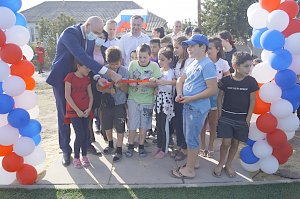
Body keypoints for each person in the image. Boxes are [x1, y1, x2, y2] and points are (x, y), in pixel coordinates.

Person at [46, 16, 122, 167]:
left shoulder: (91, 37)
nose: (96, 35)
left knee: (86, 113)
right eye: (95, 32)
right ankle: (66, 150)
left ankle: (86, 144)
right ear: (86, 25)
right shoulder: (70, 33)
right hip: (62, 79)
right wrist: (109, 73)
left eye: (100, 32)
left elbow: (86, 61)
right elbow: (80, 56)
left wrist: (97, 77)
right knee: (65, 114)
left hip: (82, 79)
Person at [172, 34, 217, 179]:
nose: (188, 48)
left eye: (192, 46)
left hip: (197, 108)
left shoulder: (207, 64)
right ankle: (194, 162)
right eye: (188, 45)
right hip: (188, 106)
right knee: (189, 137)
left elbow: (212, 89)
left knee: (192, 139)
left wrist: (191, 98)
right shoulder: (193, 62)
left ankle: (189, 170)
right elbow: (180, 79)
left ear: (202, 47)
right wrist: (179, 93)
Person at [213, 52, 259, 178]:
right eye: (246, 66)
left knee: (235, 143)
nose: (249, 69)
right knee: (226, 142)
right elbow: (219, 97)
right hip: (226, 117)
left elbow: (252, 100)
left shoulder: (251, 82)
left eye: (250, 66)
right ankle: (220, 163)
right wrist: (220, 113)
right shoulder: (225, 80)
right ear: (235, 65)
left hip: (241, 119)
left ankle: (228, 164)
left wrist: (248, 118)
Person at [125, 43, 161, 158]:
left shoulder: (155, 66)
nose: (142, 59)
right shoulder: (132, 64)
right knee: (132, 124)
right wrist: (133, 82)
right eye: (140, 57)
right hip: (133, 99)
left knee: (144, 125)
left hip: (147, 101)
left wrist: (146, 83)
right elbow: (129, 79)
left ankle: (141, 146)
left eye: (145, 57)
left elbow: (156, 82)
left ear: (150, 56)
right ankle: (130, 145)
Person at [199, 37, 230, 158]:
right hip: (202, 95)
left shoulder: (223, 63)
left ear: (217, 49)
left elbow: (228, 78)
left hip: (215, 98)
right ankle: (202, 145)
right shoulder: (202, 61)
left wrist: (218, 85)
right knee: (202, 123)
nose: (208, 50)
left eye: (210, 48)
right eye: (207, 48)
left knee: (213, 123)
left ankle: (210, 145)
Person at [99, 47, 129, 162]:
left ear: (120, 61)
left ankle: (119, 148)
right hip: (106, 104)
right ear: (107, 62)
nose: (114, 67)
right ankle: (110, 144)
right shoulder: (103, 70)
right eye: (112, 64)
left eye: (117, 64)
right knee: (107, 126)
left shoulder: (124, 71)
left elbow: (127, 90)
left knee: (120, 127)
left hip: (119, 104)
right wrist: (108, 90)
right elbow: (98, 87)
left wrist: (121, 85)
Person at [64, 60, 93, 169]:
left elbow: (91, 96)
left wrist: (89, 108)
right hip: (74, 112)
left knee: (86, 134)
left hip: (86, 111)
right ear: (78, 66)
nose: (88, 70)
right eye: (86, 67)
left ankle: (84, 156)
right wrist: (77, 110)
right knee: (79, 134)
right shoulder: (70, 77)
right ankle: (76, 157)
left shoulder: (87, 79)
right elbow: (67, 96)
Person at [171, 36, 194, 161]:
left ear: (184, 47)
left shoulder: (190, 61)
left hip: (186, 95)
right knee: (178, 122)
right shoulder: (178, 61)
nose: (174, 50)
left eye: (177, 47)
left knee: (185, 123)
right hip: (177, 94)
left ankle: (185, 148)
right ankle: (180, 145)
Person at [151, 47, 176, 158]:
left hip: (167, 102)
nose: (160, 62)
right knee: (158, 124)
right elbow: (157, 85)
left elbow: (175, 82)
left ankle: (164, 148)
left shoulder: (172, 72)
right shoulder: (159, 71)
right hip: (159, 100)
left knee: (165, 126)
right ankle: (159, 145)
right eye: (159, 59)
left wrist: (163, 82)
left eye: (163, 59)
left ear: (169, 60)